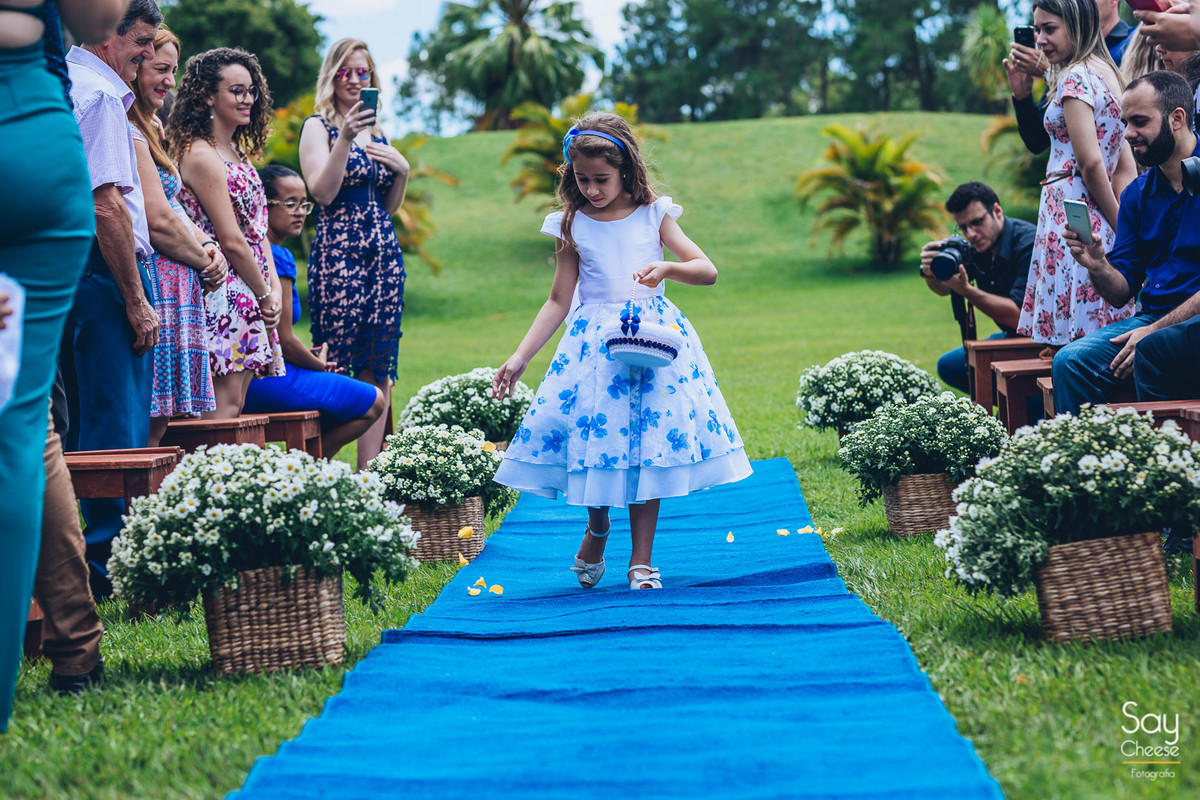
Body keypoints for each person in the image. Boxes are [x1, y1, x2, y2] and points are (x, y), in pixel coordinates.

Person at [490, 113, 753, 591]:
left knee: (644, 447)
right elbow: (557, 300)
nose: (591, 189)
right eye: (582, 179)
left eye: (601, 179)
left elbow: (707, 269)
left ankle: (641, 561)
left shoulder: (655, 214)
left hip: (652, 341)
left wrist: (665, 268)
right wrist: (520, 355)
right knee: (596, 443)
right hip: (594, 348)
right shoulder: (571, 224)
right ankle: (597, 526)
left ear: (627, 169)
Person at [0, 0, 127, 734]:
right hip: (29, 136)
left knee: (25, 425)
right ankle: (75, 643)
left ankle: (76, 640)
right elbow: (100, 13)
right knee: (23, 425)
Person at [62, 0, 163, 596]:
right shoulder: (99, 97)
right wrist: (135, 299)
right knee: (115, 425)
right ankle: (108, 571)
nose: (150, 54)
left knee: (82, 422)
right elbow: (107, 206)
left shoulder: (62, 79)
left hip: (71, 271)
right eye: (143, 42)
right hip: (105, 273)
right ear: (108, 36)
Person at [1052, 70, 1200, 414]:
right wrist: (1097, 265)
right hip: (1153, 316)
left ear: (1177, 118)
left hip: (1182, 321)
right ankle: (1087, 465)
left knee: (1154, 348)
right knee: (1071, 361)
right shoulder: (1136, 195)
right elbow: (1121, 292)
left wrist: (1153, 331)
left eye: (1139, 122)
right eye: (1125, 122)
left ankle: (1161, 460)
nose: (1128, 134)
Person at [299, 38, 409, 469]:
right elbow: (322, 193)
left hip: (383, 253)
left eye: (364, 72)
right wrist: (344, 137)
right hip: (339, 254)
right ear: (332, 75)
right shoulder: (318, 127)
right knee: (338, 355)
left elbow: (390, 205)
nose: (356, 80)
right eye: (347, 71)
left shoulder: (378, 132)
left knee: (378, 359)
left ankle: (371, 477)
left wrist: (402, 171)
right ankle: (318, 464)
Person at [1016, 0, 1138, 352]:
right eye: (1037, 30)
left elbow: (1092, 164)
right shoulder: (1109, 71)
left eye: (1049, 29)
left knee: (1074, 335)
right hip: (1096, 211)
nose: (1039, 40)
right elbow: (1123, 161)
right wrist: (1126, 226)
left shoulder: (1074, 77)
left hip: (1074, 213)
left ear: (1077, 25)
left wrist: (1121, 225)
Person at [169, 47, 285, 417]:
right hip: (225, 292)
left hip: (252, 288)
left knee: (236, 405)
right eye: (237, 90)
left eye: (251, 90)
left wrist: (274, 288)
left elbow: (258, 230)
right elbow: (232, 240)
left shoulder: (235, 151)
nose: (248, 98)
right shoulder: (201, 155)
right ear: (207, 95)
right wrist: (264, 293)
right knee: (222, 410)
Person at [242, 165, 386, 456]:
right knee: (374, 401)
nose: (300, 212)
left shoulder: (250, 250)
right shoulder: (277, 257)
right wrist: (320, 365)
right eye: (290, 203)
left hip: (246, 379)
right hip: (266, 380)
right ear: (263, 205)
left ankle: (299, 472)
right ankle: (303, 473)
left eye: (304, 204)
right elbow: (286, 340)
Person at [129, 25, 227, 444]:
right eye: (161, 69)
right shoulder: (130, 132)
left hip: (180, 284)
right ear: (133, 68)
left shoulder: (154, 129)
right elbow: (156, 219)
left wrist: (207, 244)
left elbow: (175, 209)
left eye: (174, 71)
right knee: (146, 425)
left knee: (161, 425)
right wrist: (205, 259)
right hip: (160, 286)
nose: (171, 82)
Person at [918, 182, 1036, 394]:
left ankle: (1019, 404)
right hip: (1011, 339)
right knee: (949, 366)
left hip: (1041, 344)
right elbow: (944, 289)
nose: (971, 234)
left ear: (997, 211)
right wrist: (931, 272)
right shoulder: (977, 246)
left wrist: (966, 290)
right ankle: (1010, 399)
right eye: (963, 227)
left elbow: (1018, 318)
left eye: (977, 222)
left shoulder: (1029, 243)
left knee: (1014, 416)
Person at [1007, 0, 1137, 155]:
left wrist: (1049, 72)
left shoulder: (1134, 42)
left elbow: (1128, 120)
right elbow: (1037, 142)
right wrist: (1023, 96)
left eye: (1050, 29)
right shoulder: (1065, 58)